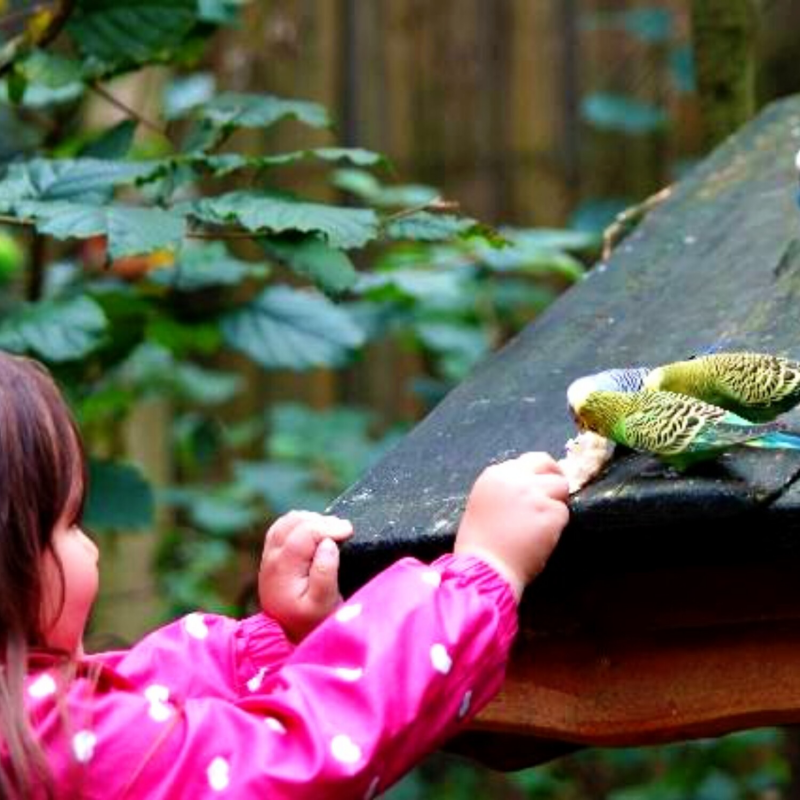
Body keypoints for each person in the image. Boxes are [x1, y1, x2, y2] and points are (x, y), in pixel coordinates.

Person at [0, 351, 570, 799]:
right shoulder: (39, 741)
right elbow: (302, 753)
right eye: (70, 523)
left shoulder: (30, 717)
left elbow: (148, 697)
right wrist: (480, 575)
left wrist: (269, 646)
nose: (93, 548)